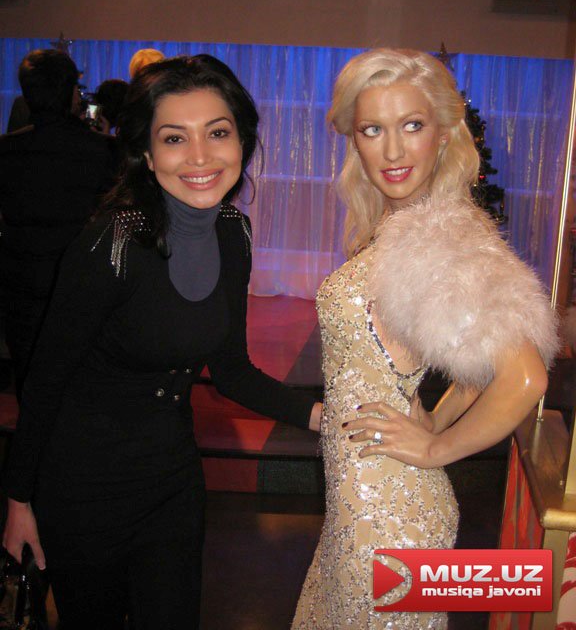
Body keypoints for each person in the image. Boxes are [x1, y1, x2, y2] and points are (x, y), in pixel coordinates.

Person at [2, 54, 322, 630]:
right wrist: (18, 502)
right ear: (147, 155)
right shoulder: (113, 243)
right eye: (175, 138)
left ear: (242, 142)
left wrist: (323, 416)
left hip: (172, 480)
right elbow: (46, 379)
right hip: (83, 485)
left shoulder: (234, 234)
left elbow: (231, 370)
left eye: (217, 133)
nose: (200, 156)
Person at [292, 49, 557, 629]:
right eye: (373, 129)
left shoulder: (445, 233)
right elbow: (474, 363)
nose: (392, 150)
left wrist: (437, 447)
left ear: (442, 135)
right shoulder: (407, 224)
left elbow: (525, 376)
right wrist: (436, 418)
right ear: (355, 141)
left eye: (411, 125)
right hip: (363, 500)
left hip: (388, 518)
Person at [0, 49, 118, 399]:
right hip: (80, 283)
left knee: (29, 380)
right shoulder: (102, 150)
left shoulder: (7, 150)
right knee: (78, 384)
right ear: (71, 94)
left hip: (20, 280)